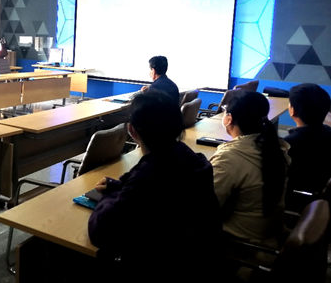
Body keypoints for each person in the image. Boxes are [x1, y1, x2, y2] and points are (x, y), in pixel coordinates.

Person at [88, 89, 223, 282]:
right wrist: (119, 187)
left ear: (132, 131)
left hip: (159, 269)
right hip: (198, 262)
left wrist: (109, 196)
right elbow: (154, 193)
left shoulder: (150, 174)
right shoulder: (190, 158)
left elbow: (101, 230)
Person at [210, 90, 290, 245]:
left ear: (229, 118)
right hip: (269, 235)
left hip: (241, 245)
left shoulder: (229, 158)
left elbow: (204, 207)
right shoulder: (274, 147)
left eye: (224, 110)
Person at [285, 83, 331, 211]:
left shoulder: (289, 144)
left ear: (293, 111)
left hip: (295, 202)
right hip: (319, 200)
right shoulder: (328, 133)